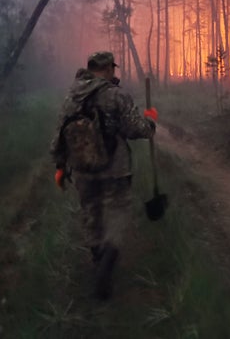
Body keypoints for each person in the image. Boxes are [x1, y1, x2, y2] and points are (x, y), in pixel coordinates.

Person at [50, 51, 158, 299]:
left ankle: (98, 259)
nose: (114, 73)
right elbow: (135, 129)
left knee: (91, 214)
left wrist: (59, 167)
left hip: (83, 171)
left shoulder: (71, 97)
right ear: (108, 68)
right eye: (113, 69)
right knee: (117, 214)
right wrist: (150, 122)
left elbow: (59, 135)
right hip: (116, 169)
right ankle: (108, 257)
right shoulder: (116, 95)